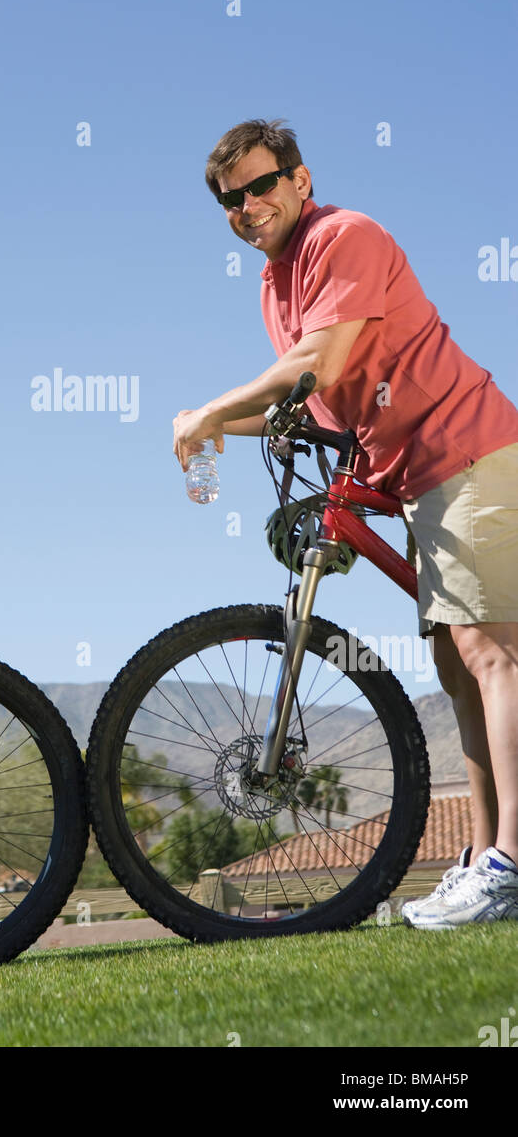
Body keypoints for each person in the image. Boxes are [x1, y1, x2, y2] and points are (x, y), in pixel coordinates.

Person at [172, 118, 518, 930]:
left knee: (490, 652)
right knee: (456, 665)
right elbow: (314, 403)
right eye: (232, 199)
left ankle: (511, 866)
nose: (249, 204)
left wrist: (210, 412)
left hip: (466, 453)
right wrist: (224, 425)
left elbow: (313, 365)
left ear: (300, 179)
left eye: (262, 184)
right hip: (411, 478)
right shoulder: (275, 285)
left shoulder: (345, 236)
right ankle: (484, 857)